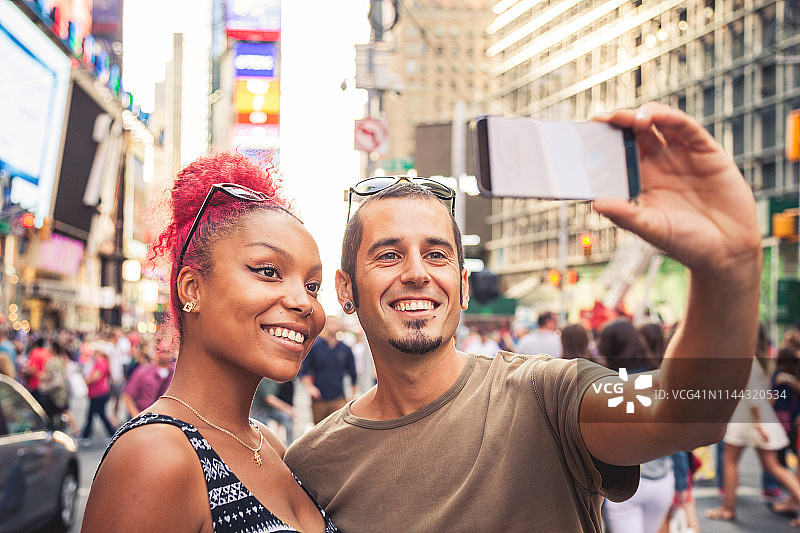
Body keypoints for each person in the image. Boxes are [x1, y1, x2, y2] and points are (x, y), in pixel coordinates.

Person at [284, 103, 763, 531]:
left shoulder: (547, 395)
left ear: (464, 287)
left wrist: (728, 269)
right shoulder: (312, 463)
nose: (416, 274)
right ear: (346, 291)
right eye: (388, 256)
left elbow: (685, 411)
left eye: (437, 255)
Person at [82, 152, 338, 532]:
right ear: (192, 289)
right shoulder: (156, 456)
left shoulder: (267, 444)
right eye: (268, 271)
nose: (305, 302)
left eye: (312, 286)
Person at [705, 325, 800, 526]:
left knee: (732, 461)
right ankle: (728, 507)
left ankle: (728, 508)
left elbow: (754, 395)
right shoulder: (765, 361)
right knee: (771, 466)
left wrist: (758, 423)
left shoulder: (749, 361)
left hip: (749, 419)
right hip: (755, 417)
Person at [300, 316, 357, 424]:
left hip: (339, 399)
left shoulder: (346, 349)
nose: (332, 326)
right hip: (319, 400)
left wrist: (352, 397)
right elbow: (304, 370)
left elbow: (353, 375)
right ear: (325, 326)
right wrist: (310, 388)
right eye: (329, 323)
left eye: (335, 323)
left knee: (338, 432)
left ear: (339, 327)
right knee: (318, 432)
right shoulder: (315, 347)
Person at [122, 344, 175, 417]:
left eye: (168, 351)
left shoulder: (175, 374)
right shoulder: (143, 372)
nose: (165, 354)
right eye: (162, 351)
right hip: (143, 416)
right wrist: (136, 416)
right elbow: (128, 395)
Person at [80, 341, 117, 443]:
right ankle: (86, 435)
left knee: (95, 415)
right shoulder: (101, 362)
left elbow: (95, 377)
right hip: (98, 393)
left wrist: (86, 380)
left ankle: (86, 436)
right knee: (95, 415)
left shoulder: (101, 362)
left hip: (98, 393)